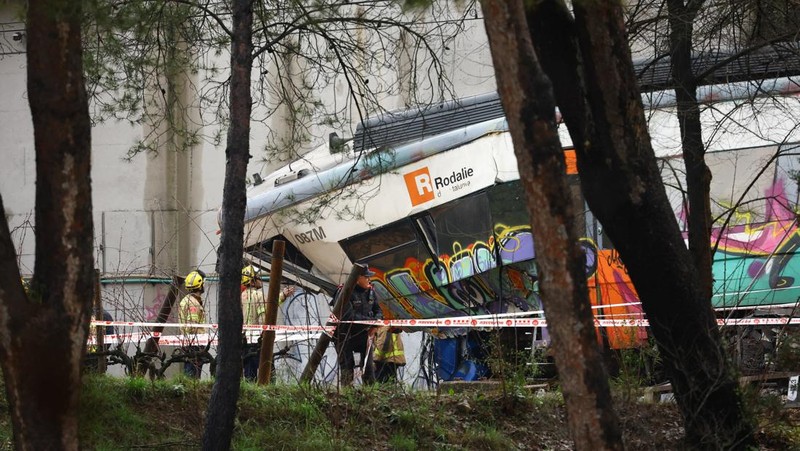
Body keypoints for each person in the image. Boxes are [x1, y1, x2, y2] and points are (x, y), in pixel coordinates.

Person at [241, 264, 296, 381]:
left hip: (245, 342)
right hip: (259, 341)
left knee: (249, 376)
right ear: (252, 281)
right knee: (269, 374)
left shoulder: (241, 296)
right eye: (258, 277)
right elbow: (269, 309)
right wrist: (284, 295)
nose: (261, 279)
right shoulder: (259, 296)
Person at [333, 267, 383, 386]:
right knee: (347, 366)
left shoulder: (370, 291)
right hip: (345, 335)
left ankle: (370, 395)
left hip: (364, 334)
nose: (369, 279)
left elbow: (379, 310)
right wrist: (372, 322)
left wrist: (376, 323)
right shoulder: (344, 292)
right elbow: (348, 316)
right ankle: (346, 395)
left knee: (369, 366)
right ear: (357, 278)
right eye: (366, 277)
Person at [179, 270, 206, 378]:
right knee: (192, 375)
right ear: (199, 285)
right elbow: (193, 325)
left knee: (190, 372)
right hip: (195, 344)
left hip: (188, 343)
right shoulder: (193, 304)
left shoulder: (186, 300)